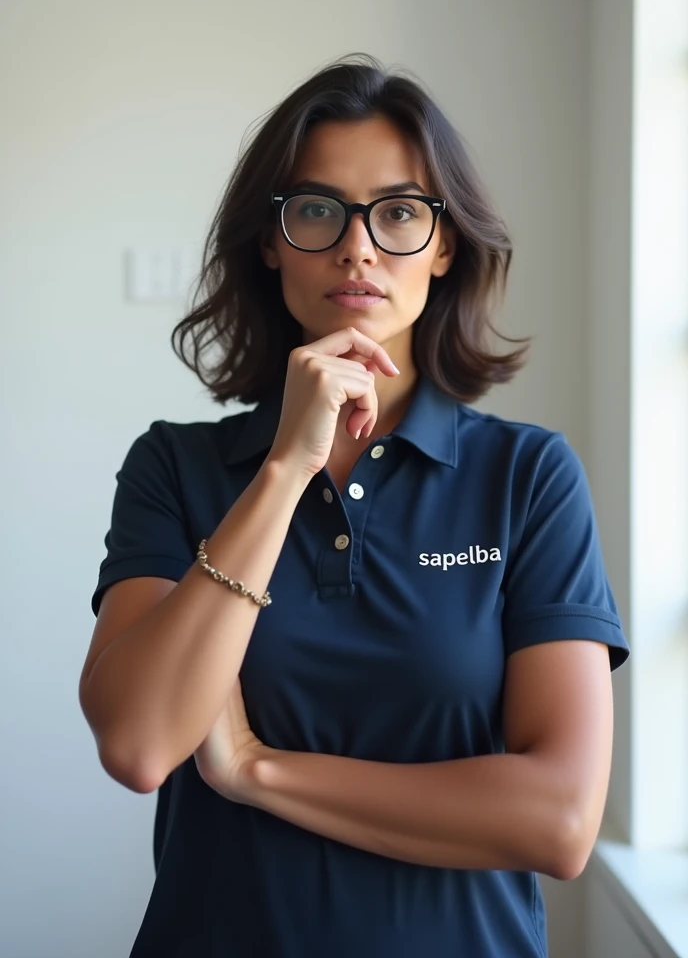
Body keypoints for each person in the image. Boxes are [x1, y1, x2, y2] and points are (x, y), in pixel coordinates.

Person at [79, 52, 630, 958]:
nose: (358, 246)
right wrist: (286, 468)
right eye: (318, 210)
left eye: (401, 212)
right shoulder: (174, 468)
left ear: (445, 245)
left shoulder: (529, 477)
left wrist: (256, 770)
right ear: (270, 239)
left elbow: (560, 820)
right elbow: (140, 743)